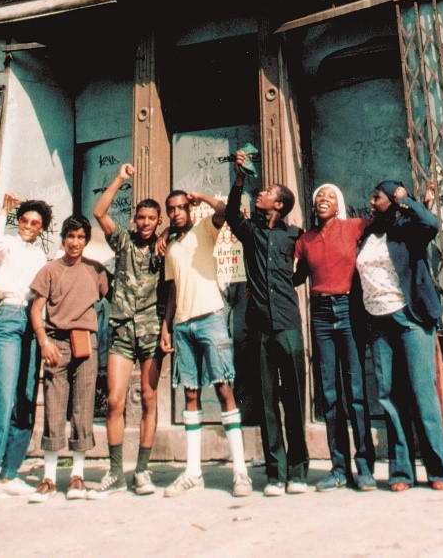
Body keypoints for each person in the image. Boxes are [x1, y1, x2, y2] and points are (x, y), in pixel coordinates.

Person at [355, 181, 443, 494]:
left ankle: (438, 469)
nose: (371, 201)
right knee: (389, 394)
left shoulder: (407, 228)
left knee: (421, 391)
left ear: (392, 199)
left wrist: (407, 200)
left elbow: (431, 224)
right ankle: (401, 470)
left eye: (377, 196)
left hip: (409, 317)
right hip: (378, 320)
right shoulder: (370, 234)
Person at [159, 188, 252, 498]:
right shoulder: (170, 246)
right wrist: (166, 324)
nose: (176, 213)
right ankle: (193, 471)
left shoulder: (203, 229)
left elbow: (224, 210)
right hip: (183, 324)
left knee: (224, 388)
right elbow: (172, 288)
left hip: (211, 317)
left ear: (190, 208)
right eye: (171, 209)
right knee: (190, 393)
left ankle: (240, 470)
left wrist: (203, 198)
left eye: (182, 207)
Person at [225, 151, 308, 497]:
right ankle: (275, 473)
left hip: (288, 324)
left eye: (268, 192)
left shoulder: (294, 236)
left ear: (280, 204)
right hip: (259, 327)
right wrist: (240, 175)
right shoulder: (251, 232)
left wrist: (289, 284)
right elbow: (231, 213)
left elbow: (304, 271)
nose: (261, 194)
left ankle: (299, 471)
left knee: (294, 398)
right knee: (266, 400)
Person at [294, 185, 376, 492]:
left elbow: (384, 224)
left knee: (356, 392)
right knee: (330, 393)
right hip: (321, 314)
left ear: (338, 202)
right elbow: (294, 273)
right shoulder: (306, 240)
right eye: (318, 199)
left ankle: (365, 467)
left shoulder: (353, 227)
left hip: (349, 309)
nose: (322, 202)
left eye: (328, 197)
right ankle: (339, 468)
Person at [0, 196, 53, 512]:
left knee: (25, 396)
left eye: (35, 223)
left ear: (42, 228)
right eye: (25, 221)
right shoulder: (6, 244)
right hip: (8, 316)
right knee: (4, 397)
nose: (29, 227)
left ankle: (9, 474)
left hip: (34, 320)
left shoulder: (42, 254)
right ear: (18, 221)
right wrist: (5, 209)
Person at [92, 163, 166, 495]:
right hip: (122, 330)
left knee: (149, 398)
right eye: (141, 218)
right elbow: (99, 211)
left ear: (159, 221)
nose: (146, 223)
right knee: (115, 399)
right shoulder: (122, 242)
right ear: (134, 219)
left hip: (151, 331)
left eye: (152, 219)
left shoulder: (165, 248)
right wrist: (120, 179)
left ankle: (143, 471)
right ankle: (115, 471)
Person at [28, 215, 109, 502]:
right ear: (63, 239)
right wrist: (43, 341)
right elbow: (36, 310)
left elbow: (112, 292)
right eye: (70, 237)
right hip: (56, 343)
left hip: (85, 340)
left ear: (87, 241)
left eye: (80, 237)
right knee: (54, 405)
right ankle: (49, 476)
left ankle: (77, 476)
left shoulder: (95, 270)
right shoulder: (49, 270)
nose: (75, 243)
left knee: (83, 406)